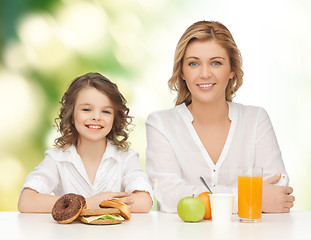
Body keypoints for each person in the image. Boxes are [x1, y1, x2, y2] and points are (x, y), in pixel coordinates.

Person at [145, 20, 295, 213]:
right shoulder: (161, 124)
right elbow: (169, 195)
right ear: (182, 71)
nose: (205, 73)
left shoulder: (256, 119)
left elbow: (277, 189)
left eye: (216, 63)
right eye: (193, 63)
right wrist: (248, 200)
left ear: (232, 70)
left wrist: (203, 199)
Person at [18, 72, 153, 213]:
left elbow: (144, 202)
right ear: (71, 114)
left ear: (115, 118)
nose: (96, 117)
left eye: (106, 111)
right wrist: (88, 203)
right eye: (86, 109)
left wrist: (98, 203)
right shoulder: (57, 158)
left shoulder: (126, 158)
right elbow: (26, 201)